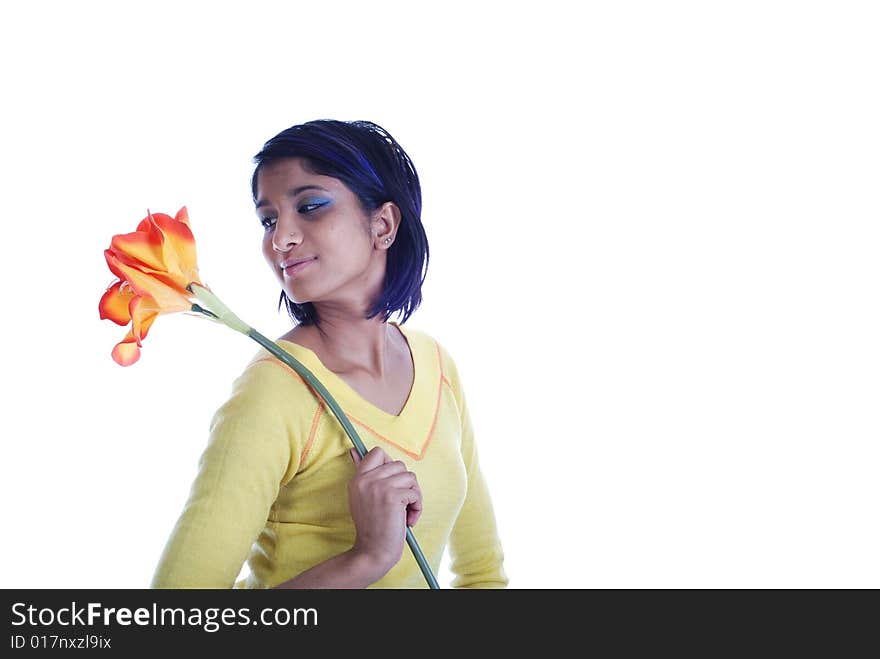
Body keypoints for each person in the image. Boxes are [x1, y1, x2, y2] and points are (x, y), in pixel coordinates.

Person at [150, 119, 507, 589]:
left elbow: (482, 575)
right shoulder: (274, 392)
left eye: (310, 206)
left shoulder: (437, 368)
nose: (280, 240)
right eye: (269, 220)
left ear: (383, 224)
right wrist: (365, 557)